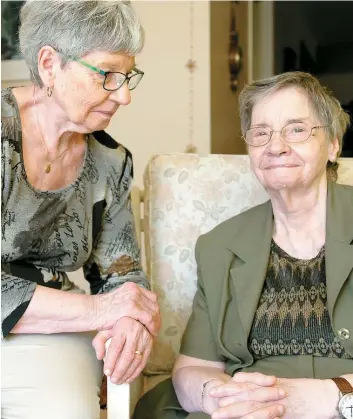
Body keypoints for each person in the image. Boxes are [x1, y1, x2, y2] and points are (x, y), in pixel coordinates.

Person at [133, 71, 353, 419]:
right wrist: (219, 397)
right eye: (261, 133)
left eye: (296, 129)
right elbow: (194, 367)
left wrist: (332, 397)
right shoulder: (219, 246)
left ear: (333, 144)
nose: (276, 146)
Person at [1, 1, 160, 418]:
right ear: (50, 64)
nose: (124, 95)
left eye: (128, 77)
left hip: (50, 331)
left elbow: (122, 275)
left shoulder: (111, 162)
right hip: (68, 313)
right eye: (107, 75)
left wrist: (129, 323)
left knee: (64, 410)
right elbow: (110, 302)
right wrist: (102, 310)